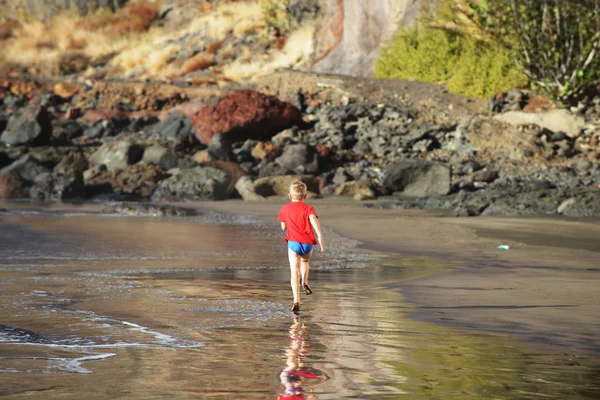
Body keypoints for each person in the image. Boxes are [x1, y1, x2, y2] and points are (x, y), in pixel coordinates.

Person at [278, 181, 324, 313]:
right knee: (305, 261)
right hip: (308, 244)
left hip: (294, 244)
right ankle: (305, 281)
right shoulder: (309, 209)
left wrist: (288, 224)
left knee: (294, 273)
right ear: (306, 196)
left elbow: (283, 227)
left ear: (290, 196)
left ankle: (296, 300)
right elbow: (314, 220)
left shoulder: (285, 208)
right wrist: (320, 236)